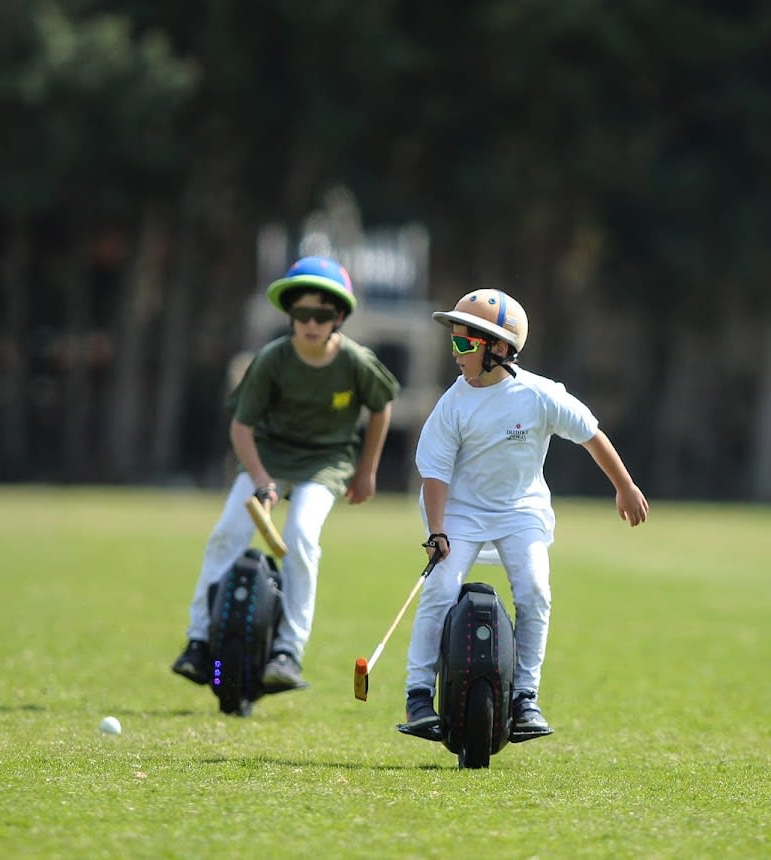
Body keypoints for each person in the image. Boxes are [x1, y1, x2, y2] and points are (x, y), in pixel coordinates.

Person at [399, 288, 649, 739]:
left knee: (535, 591)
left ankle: (525, 698)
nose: (454, 354)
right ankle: (418, 696)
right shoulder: (453, 403)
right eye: (453, 342)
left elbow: (592, 434)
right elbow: (434, 474)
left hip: (521, 511)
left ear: (498, 349)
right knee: (439, 588)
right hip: (459, 511)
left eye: (463, 344)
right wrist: (437, 532)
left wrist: (625, 486)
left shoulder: (540, 396)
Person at [172, 256, 401, 693]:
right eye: (301, 315)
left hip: (326, 464)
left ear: (339, 318)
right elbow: (241, 426)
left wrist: (366, 471)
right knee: (226, 535)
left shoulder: (355, 361)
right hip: (270, 459)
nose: (310, 324)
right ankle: (199, 642)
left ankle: (287, 652)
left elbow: (381, 406)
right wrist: (260, 479)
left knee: (300, 536)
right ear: (290, 316)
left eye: (321, 315)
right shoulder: (274, 359)